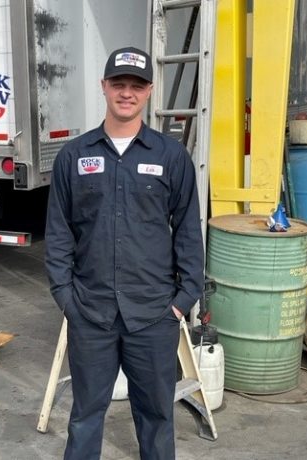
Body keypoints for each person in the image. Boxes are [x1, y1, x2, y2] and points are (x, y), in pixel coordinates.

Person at [45, 46, 204, 460]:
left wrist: (183, 299)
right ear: (104, 87)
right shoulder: (74, 157)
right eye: (119, 84)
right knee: (85, 416)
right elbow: (58, 232)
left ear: (149, 91)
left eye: (136, 85)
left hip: (153, 315)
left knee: (155, 417)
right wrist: (66, 298)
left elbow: (188, 230)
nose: (126, 93)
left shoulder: (171, 157)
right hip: (91, 313)